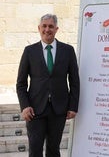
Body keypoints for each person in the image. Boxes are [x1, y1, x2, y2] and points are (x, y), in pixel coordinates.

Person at [16, 14, 80, 157]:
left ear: (56, 29)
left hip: (59, 109)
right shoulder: (29, 51)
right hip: (34, 109)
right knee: (35, 148)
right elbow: (20, 83)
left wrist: (73, 106)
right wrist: (24, 106)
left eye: (51, 26)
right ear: (39, 28)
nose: (47, 29)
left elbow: (75, 81)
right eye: (44, 26)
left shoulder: (68, 51)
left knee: (53, 149)